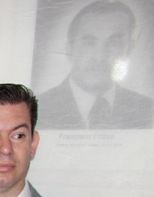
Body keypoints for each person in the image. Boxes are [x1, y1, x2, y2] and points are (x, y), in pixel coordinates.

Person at [39, 0, 153, 129]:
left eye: (114, 43)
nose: (100, 57)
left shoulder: (148, 109)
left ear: (129, 49)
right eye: (89, 43)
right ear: (69, 50)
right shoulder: (37, 107)